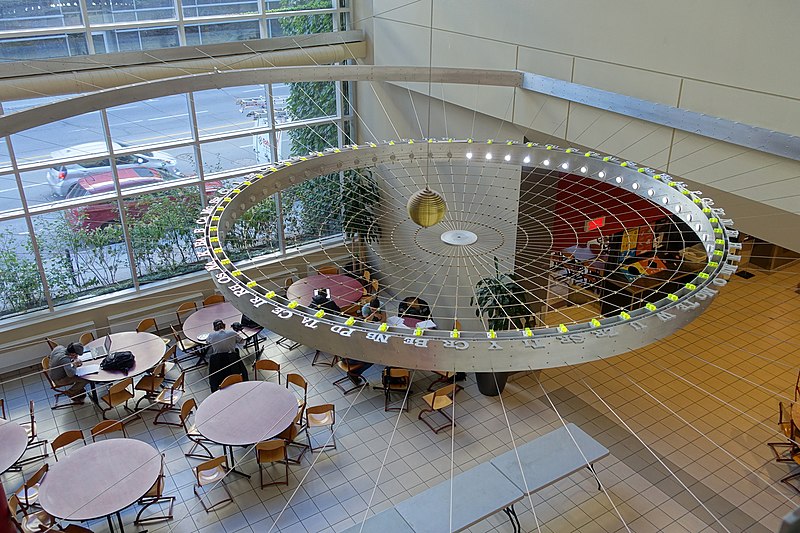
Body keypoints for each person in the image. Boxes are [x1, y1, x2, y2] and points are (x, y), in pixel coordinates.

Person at [206, 320, 248, 392]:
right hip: (231, 358)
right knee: (236, 350)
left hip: (218, 361)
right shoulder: (232, 333)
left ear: (214, 328)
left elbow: (207, 342)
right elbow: (242, 342)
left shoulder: (211, 335)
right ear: (224, 325)